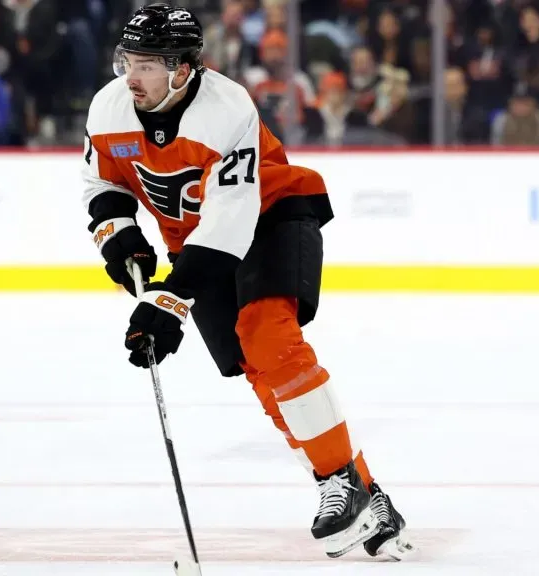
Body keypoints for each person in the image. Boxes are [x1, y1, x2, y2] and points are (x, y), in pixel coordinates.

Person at [80, 3, 411, 560]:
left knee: (270, 340)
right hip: (196, 244)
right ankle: (363, 492)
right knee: (258, 372)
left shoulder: (225, 108)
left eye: (147, 65)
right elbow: (102, 183)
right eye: (128, 61)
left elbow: (230, 224)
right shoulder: (109, 107)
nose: (132, 76)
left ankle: (339, 482)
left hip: (271, 216)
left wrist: (169, 300)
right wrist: (121, 240)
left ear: (183, 69)